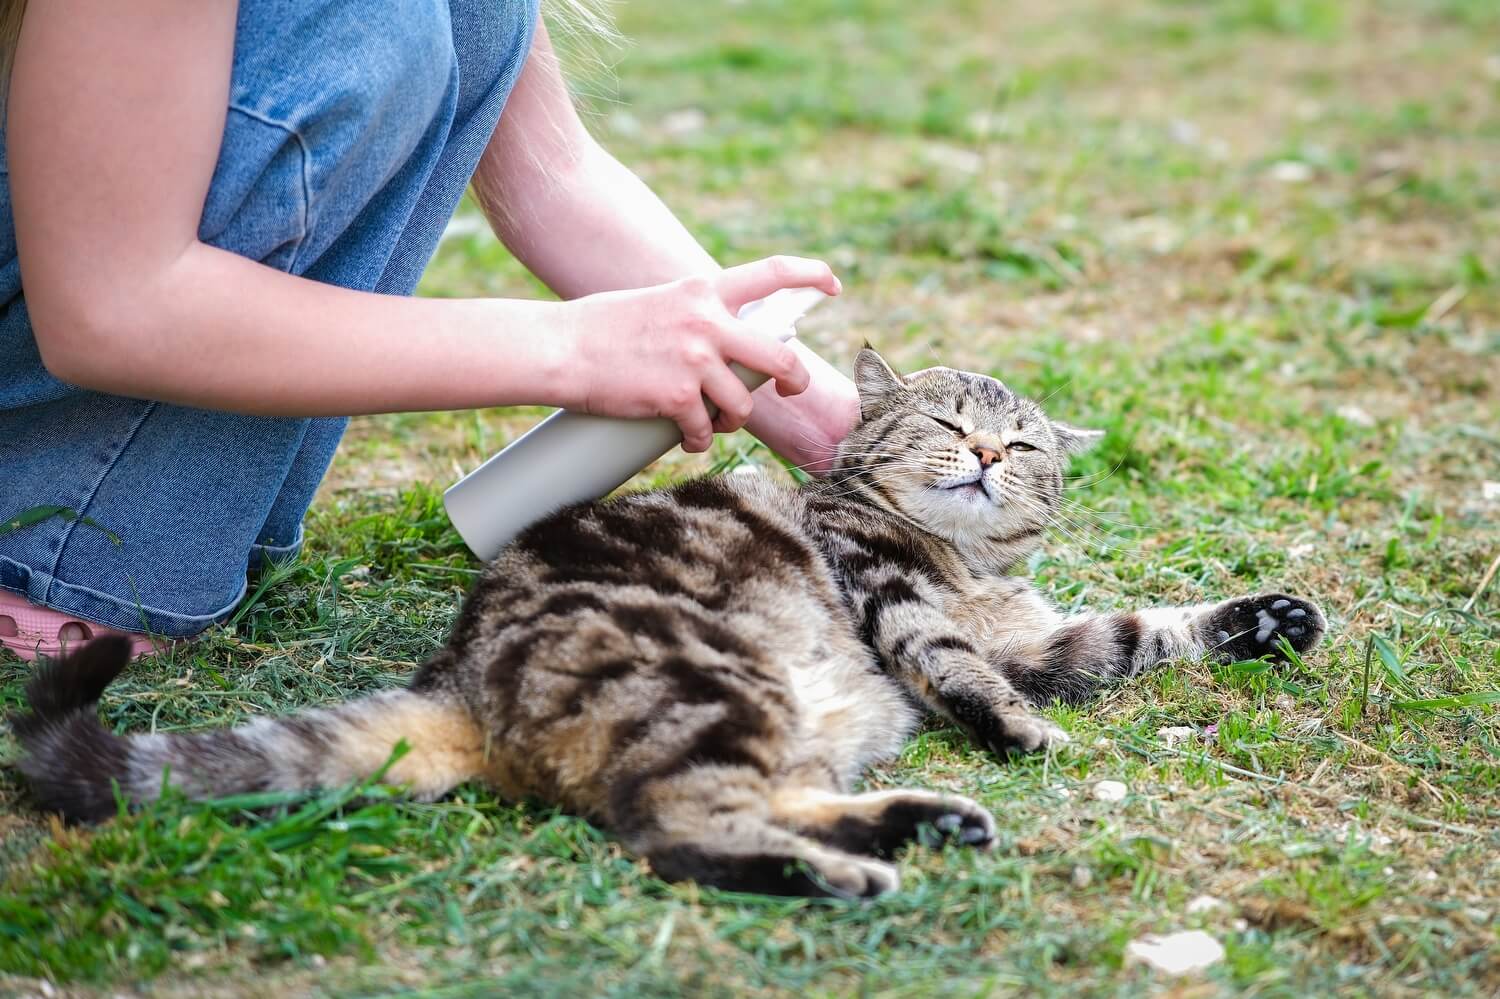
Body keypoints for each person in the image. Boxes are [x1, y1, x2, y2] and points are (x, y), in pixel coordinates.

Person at [0, 0, 860, 662]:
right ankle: (57, 538)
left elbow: (556, 179)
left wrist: (849, 436)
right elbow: (112, 305)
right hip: (46, 523)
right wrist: (577, 349)